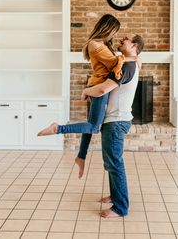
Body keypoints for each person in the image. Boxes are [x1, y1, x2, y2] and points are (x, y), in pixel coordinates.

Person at [37, 14, 137, 177]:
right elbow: (114, 64)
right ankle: (57, 128)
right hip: (98, 87)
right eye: (114, 31)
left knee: (91, 124)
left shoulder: (101, 44)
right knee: (94, 127)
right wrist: (132, 58)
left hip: (96, 84)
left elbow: (114, 63)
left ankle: (81, 157)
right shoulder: (96, 44)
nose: (114, 36)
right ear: (108, 28)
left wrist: (126, 58)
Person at [81, 33, 144, 218]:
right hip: (116, 119)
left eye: (126, 38)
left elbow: (102, 89)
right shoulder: (130, 62)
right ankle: (115, 196)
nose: (122, 39)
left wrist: (86, 90)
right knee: (111, 163)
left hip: (116, 121)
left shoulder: (128, 66)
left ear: (134, 46)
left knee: (115, 164)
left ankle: (120, 208)